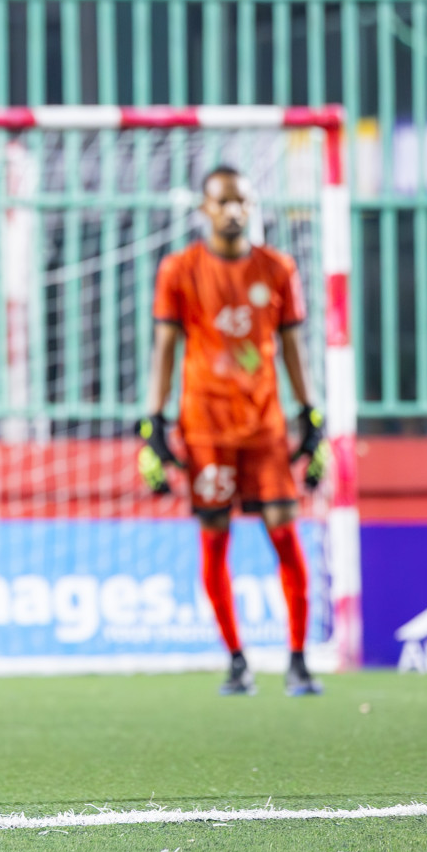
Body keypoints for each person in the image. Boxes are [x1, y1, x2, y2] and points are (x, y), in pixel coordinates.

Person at [138, 166, 329, 698]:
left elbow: (293, 348)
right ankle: (237, 660)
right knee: (214, 538)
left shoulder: (278, 268)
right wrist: (152, 422)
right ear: (204, 209)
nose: (231, 210)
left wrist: (311, 412)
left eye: (240, 200)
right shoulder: (179, 270)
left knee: (284, 531)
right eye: (221, 201)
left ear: (252, 205)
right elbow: (165, 349)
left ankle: (297, 659)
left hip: (265, 425)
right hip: (206, 428)